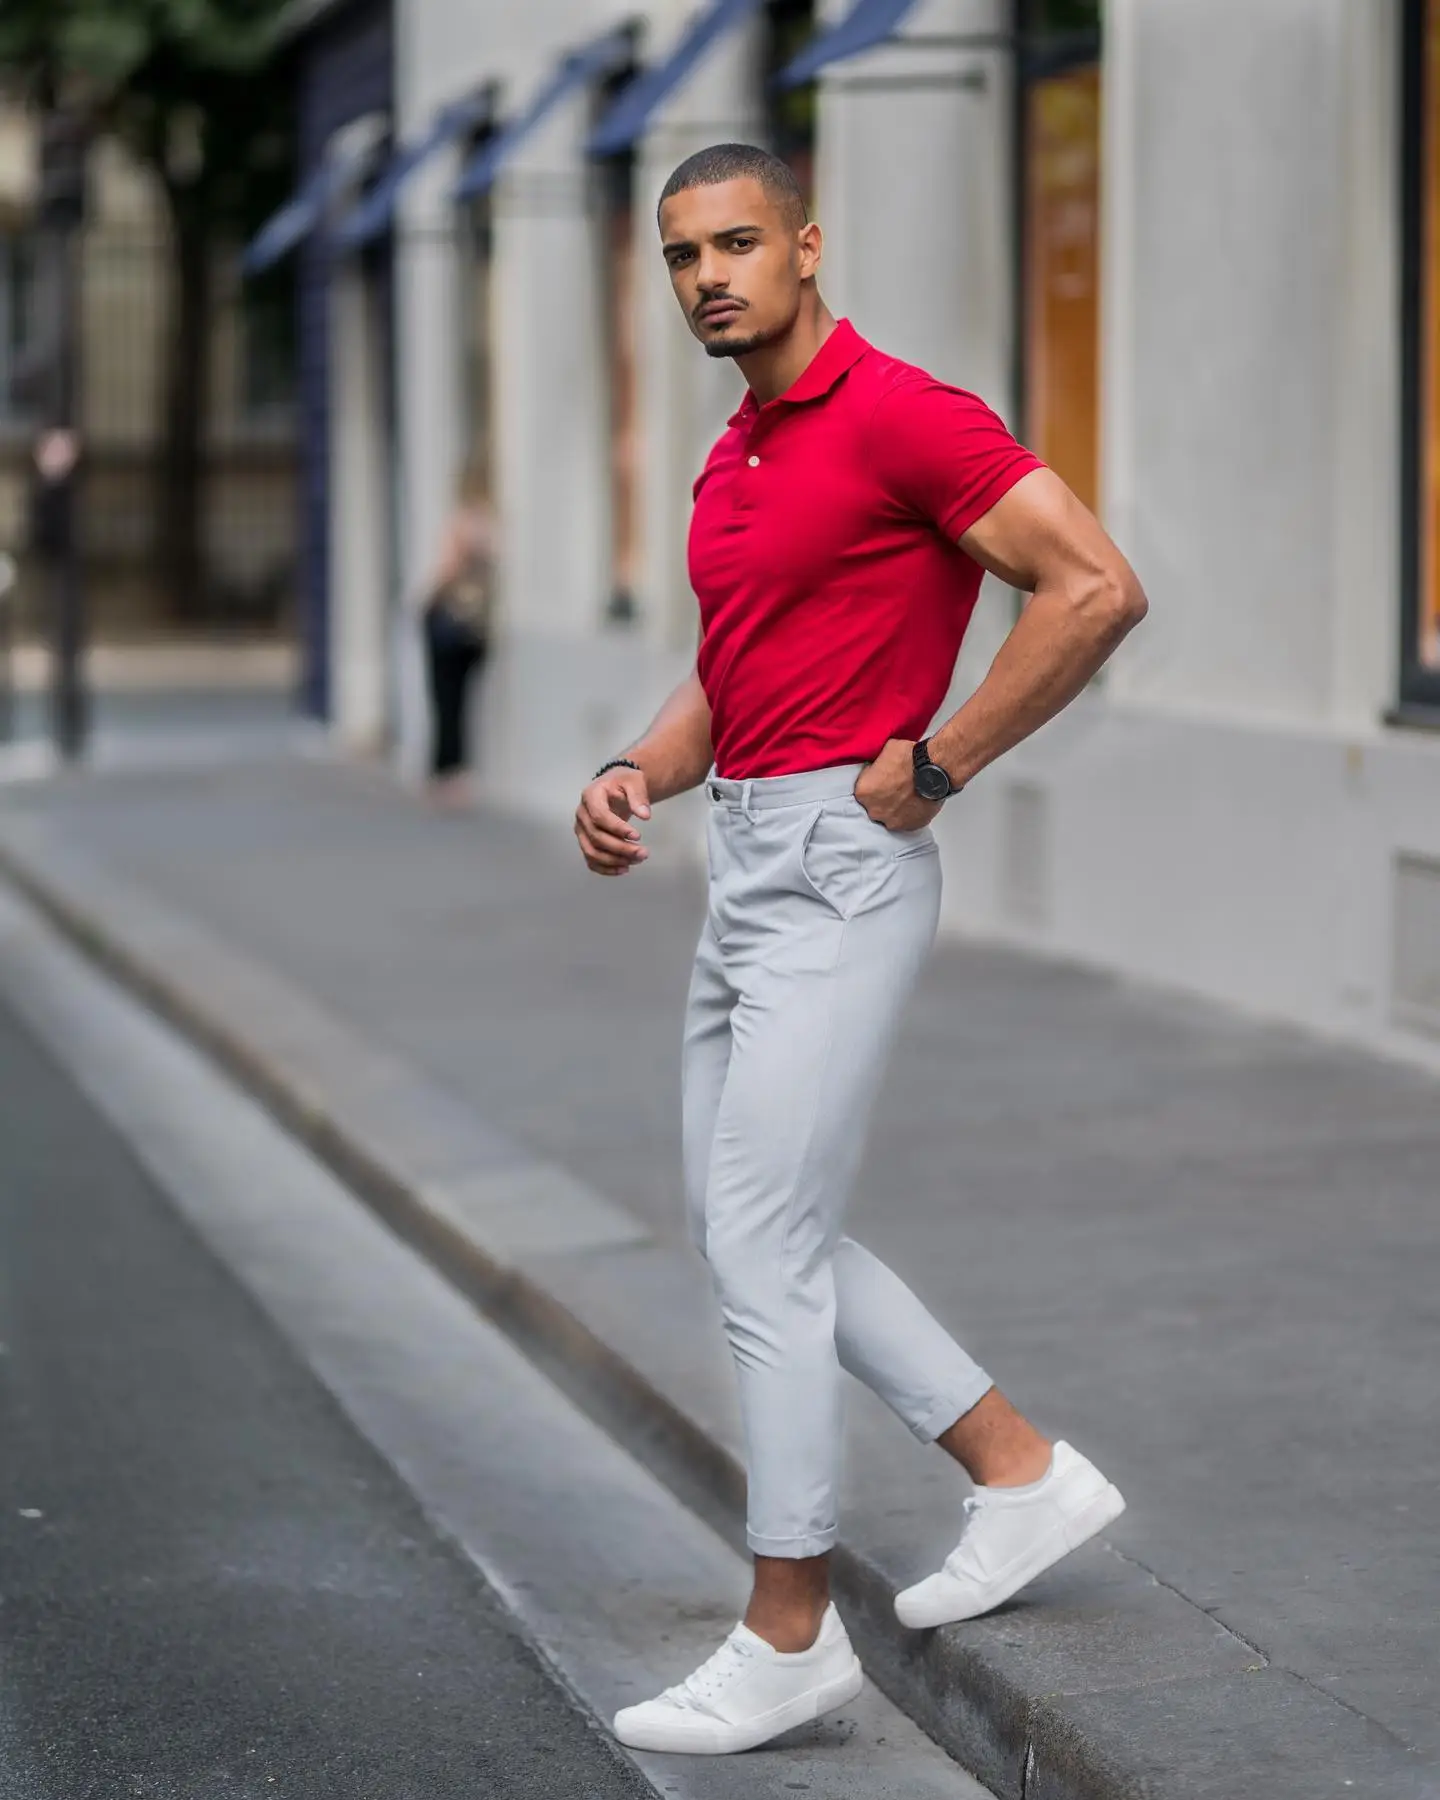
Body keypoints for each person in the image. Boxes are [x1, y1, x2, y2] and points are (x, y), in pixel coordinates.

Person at [573, 144, 1148, 1759]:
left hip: (844, 859)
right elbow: (728, 671)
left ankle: (789, 1628)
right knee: (748, 1225)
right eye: (685, 256)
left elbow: (1094, 587)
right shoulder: (734, 454)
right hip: (742, 859)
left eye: (740, 244)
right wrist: (637, 769)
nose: (711, 278)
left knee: (763, 1237)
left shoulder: (905, 415)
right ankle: (1025, 1478)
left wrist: (945, 758)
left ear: (807, 244)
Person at [420, 458, 494, 807]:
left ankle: (445, 773)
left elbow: (446, 570)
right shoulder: (488, 526)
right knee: (459, 702)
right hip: (473, 626)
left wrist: (428, 599)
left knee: (445, 701)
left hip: (450, 622)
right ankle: (454, 772)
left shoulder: (463, 524)